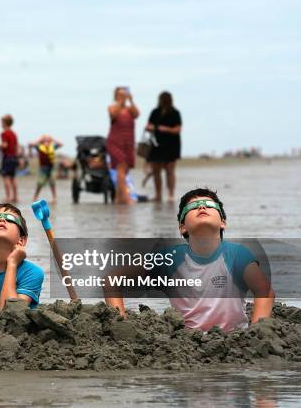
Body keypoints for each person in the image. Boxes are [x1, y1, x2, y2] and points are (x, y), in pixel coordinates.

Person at [106, 188, 275, 332]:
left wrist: (256, 332)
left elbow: (265, 292)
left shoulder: (237, 255)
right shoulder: (169, 258)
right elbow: (112, 279)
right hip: (186, 344)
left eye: (209, 205)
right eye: (192, 207)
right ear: (182, 227)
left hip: (233, 341)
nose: (201, 206)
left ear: (223, 222)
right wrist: (121, 323)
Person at [146, 91, 183, 202]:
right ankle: (158, 195)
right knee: (156, 171)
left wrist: (164, 129)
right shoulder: (155, 112)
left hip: (171, 144)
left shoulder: (175, 113)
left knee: (170, 170)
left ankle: (170, 195)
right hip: (156, 144)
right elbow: (148, 126)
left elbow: (178, 129)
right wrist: (155, 128)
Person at [106, 87, 139, 204]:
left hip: (128, 142)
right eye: (120, 95)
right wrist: (120, 102)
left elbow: (137, 114)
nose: (123, 97)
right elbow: (113, 115)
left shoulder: (130, 109)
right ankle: (125, 197)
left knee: (125, 170)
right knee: (120, 167)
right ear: (116, 96)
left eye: (124, 94)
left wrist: (131, 100)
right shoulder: (112, 107)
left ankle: (119, 198)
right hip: (115, 141)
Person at [30, 135, 62, 202]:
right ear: (42, 142)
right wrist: (39, 139)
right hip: (43, 168)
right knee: (40, 183)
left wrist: (53, 139)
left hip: (51, 168)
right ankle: (35, 197)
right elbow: (31, 144)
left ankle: (54, 197)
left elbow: (60, 144)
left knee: (52, 183)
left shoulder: (52, 147)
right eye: (45, 140)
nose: (46, 142)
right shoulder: (39, 147)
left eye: (48, 141)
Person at [0, 114, 18, 203]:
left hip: (7, 157)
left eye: (1, 122)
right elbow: (16, 146)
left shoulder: (4, 133)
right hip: (13, 157)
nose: (0, 124)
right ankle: (15, 196)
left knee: (6, 177)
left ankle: (8, 196)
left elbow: (5, 145)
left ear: (5, 123)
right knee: (13, 178)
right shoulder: (14, 134)